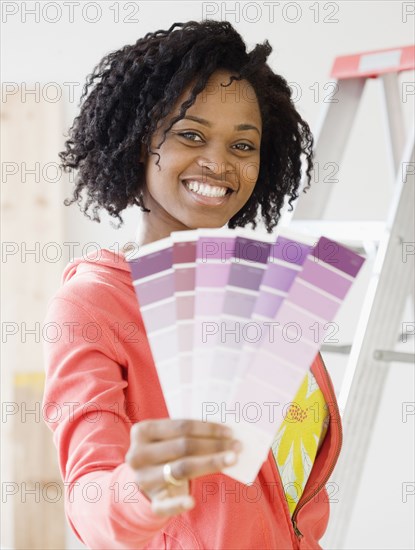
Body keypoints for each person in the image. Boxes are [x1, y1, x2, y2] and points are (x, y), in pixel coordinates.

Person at [42, 20, 342, 549]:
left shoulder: (278, 293)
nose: (219, 162)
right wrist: (144, 486)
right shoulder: (94, 303)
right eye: (191, 134)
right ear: (139, 144)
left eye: (243, 145)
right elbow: (89, 501)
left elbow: (293, 493)